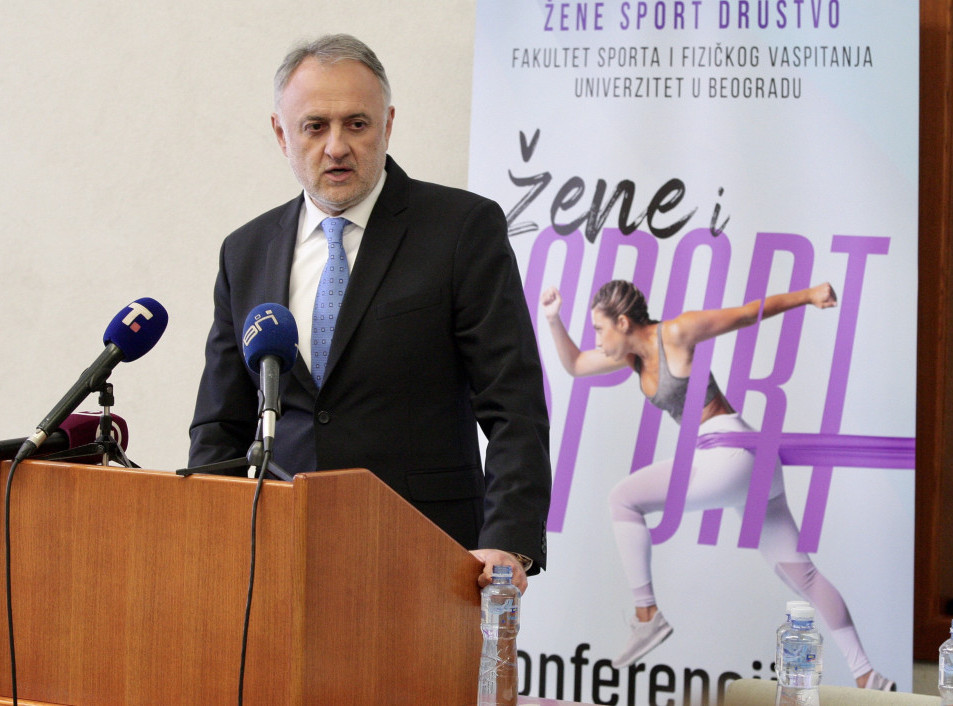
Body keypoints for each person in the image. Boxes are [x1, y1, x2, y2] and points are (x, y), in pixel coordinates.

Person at [188, 34, 550, 593]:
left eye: (356, 124)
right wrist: (211, 539)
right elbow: (221, 423)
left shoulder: (461, 229)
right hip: (282, 557)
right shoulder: (247, 251)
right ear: (282, 134)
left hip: (428, 553)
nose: (336, 146)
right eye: (315, 126)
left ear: (388, 124)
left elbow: (514, 405)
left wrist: (507, 539)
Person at [540, 280, 895, 690]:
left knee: (623, 499)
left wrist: (809, 295)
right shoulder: (632, 359)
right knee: (805, 576)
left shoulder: (676, 332)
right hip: (754, 463)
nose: (598, 341)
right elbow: (575, 365)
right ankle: (867, 675)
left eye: (600, 329)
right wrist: (552, 319)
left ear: (622, 322)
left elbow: (745, 314)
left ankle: (646, 614)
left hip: (728, 452)